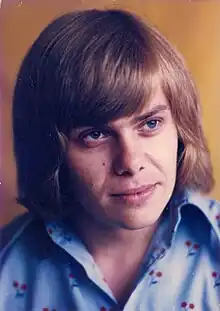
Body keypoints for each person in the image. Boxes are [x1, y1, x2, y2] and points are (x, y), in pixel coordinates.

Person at [0, 8, 219, 311]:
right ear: (51, 150)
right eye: (95, 135)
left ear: (181, 126)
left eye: (150, 124)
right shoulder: (7, 266)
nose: (130, 162)